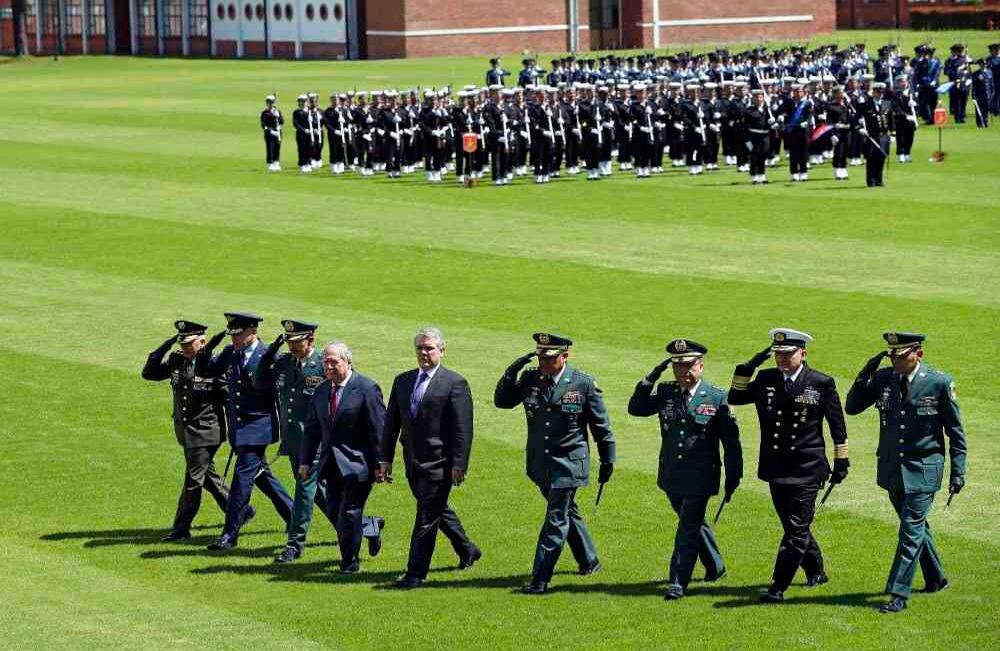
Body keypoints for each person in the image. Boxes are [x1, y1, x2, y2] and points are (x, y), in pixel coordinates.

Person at [844, 332, 967, 614]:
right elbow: (852, 407)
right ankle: (937, 579)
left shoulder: (939, 383)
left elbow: (956, 433)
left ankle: (898, 593)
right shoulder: (885, 379)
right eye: (892, 356)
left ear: (918, 354)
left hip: (923, 471)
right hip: (891, 469)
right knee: (917, 528)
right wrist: (866, 371)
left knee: (909, 531)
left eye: (901, 356)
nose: (895, 361)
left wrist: (958, 471)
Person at [728, 328, 849, 603]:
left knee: (795, 530)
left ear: (802, 353)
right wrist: (747, 368)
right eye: (777, 354)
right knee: (794, 525)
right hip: (775, 466)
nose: (782, 359)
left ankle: (777, 587)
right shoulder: (766, 378)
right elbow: (735, 398)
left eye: (788, 354)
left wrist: (841, 460)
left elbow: (837, 426)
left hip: (807, 468)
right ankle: (817, 571)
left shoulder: (820, 382)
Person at [494, 333, 616, 595]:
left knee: (556, 518)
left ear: (565, 356)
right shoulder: (530, 378)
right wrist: (510, 372)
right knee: (567, 510)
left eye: (549, 358)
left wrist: (608, 458)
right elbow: (502, 402)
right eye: (540, 357)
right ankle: (589, 561)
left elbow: (600, 425)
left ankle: (540, 578)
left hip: (569, 463)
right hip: (540, 463)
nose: (543, 363)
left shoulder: (582, 383)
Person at [628, 339, 742, 600]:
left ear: (700, 366)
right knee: (692, 521)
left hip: (701, 476)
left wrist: (734, 476)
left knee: (687, 528)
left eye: (689, 366)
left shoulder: (716, 397)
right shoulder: (667, 392)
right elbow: (636, 409)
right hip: (671, 474)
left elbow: (731, 443)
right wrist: (649, 379)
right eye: (678, 367)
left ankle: (678, 582)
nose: (684, 372)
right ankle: (715, 566)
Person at [379, 327, 481, 589]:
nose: (424, 353)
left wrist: (459, 464)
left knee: (426, 517)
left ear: (442, 351)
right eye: (420, 348)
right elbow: (391, 423)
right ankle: (468, 549)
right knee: (436, 509)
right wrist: (385, 459)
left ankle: (415, 574)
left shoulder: (454, 383)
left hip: (440, 464)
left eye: (429, 348)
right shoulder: (403, 380)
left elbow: (463, 429)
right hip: (413, 461)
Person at [141, 320, 247, 541]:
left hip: (207, 432)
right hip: (186, 432)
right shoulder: (176, 360)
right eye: (182, 343)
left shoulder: (214, 365)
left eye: (190, 343)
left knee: (192, 480)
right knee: (207, 477)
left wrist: (238, 432)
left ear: (203, 341)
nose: (186, 347)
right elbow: (149, 373)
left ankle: (181, 529)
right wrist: (166, 345)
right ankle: (241, 511)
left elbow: (228, 401)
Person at [196, 312, 293, 551]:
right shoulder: (230, 353)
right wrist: (207, 349)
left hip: (259, 429)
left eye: (238, 335)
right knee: (262, 477)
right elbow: (206, 371)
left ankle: (230, 534)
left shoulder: (269, 356)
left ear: (252, 331)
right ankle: (295, 516)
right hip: (239, 430)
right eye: (232, 335)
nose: (235, 340)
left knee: (241, 480)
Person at [299, 341, 386, 574]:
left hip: (360, 465)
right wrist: (305, 461)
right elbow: (312, 429)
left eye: (333, 362)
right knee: (337, 512)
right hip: (330, 465)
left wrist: (382, 464)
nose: (328, 366)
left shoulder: (367, 388)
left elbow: (379, 431)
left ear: (348, 362)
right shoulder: (321, 391)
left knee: (349, 512)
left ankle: (349, 562)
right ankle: (370, 526)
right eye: (325, 362)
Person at [859, 82, 894, 188]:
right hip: (872, 136)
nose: (880, 94)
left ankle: (879, 180)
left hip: (884, 136)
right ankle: (871, 181)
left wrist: (893, 134)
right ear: (873, 93)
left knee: (881, 158)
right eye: (878, 92)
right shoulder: (866, 105)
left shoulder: (887, 104)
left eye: (881, 92)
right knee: (871, 159)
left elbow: (891, 120)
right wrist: (860, 129)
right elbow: (856, 119)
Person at [260, 95, 283, 172]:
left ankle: (276, 163)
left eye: (272, 103)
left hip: (278, 133)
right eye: (269, 103)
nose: (271, 104)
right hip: (269, 134)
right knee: (270, 148)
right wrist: (271, 131)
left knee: (277, 147)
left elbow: (282, 121)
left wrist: (278, 116)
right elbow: (263, 125)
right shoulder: (264, 113)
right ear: (267, 103)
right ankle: (270, 163)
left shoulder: (277, 111)